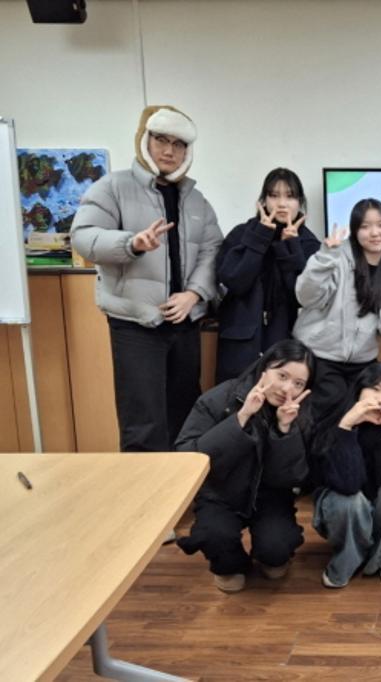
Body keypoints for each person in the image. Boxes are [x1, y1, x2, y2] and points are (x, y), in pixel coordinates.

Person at [71, 104, 223, 452]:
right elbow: (83, 237)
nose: (169, 151)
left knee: (186, 416)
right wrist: (131, 244)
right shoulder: (113, 187)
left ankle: (184, 488)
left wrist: (194, 294)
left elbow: (212, 250)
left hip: (184, 323)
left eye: (178, 144)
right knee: (143, 424)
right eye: (161, 140)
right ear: (144, 140)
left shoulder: (197, 200)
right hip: (135, 324)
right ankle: (144, 490)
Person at [174, 339, 315, 593]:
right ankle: (231, 564)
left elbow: (294, 477)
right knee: (215, 536)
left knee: (276, 551)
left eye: (298, 383)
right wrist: (242, 417)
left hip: (270, 496)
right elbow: (187, 455)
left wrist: (284, 430)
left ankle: (268, 554)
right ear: (264, 368)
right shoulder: (222, 397)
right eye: (282, 376)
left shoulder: (300, 412)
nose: (287, 389)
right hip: (220, 493)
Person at [293, 198, 381, 427]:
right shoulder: (335, 259)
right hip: (320, 356)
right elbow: (306, 297)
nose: (375, 233)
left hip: (363, 362)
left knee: (366, 417)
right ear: (355, 231)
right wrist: (324, 259)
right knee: (324, 413)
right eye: (365, 226)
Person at [311, 362, 381, 588]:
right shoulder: (336, 420)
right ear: (359, 390)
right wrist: (347, 427)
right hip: (343, 511)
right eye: (375, 388)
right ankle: (350, 555)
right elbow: (347, 486)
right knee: (349, 501)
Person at [215, 168, 320, 383]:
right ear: (263, 201)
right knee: (234, 398)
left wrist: (291, 246)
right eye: (274, 195)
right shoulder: (242, 234)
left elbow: (302, 296)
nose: (282, 204)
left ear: (300, 202)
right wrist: (260, 237)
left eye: (290, 196)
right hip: (239, 340)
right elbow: (235, 281)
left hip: (285, 341)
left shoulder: (308, 243)